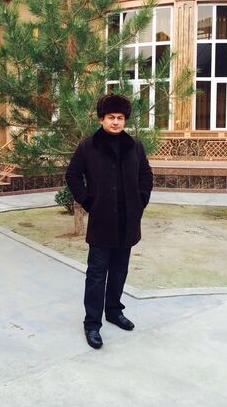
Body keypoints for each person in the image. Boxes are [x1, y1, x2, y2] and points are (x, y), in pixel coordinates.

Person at [65, 94, 153, 349]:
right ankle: (92, 323)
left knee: (119, 269)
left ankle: (114, 311)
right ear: (101, 119)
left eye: (120, 118)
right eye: (111, 117)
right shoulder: (88, 146)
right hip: (102, 221)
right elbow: (72, 175)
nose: (116, 122)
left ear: (125, 120)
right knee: (96, 273)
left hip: (128, 220)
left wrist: (141, 200)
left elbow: (146, 174)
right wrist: (88, 202)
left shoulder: (134, 146)